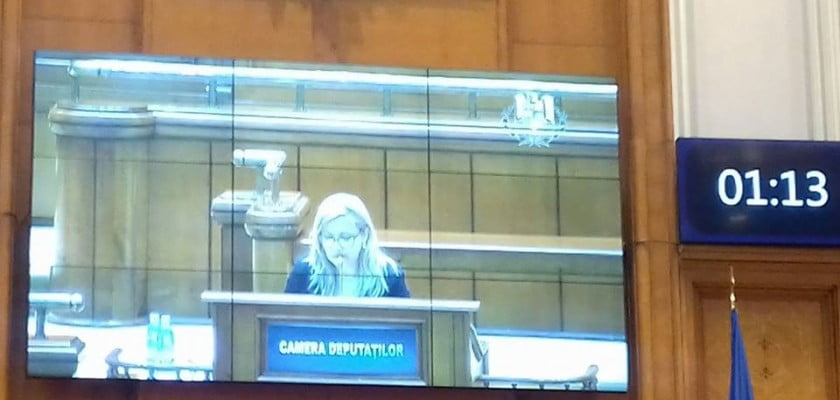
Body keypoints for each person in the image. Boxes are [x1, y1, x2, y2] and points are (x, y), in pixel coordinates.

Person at [284, 192, 410, 297]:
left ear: (365, 236)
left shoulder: (389, 276)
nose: (337, 245)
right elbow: (285, 318)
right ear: (319, 239)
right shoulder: (303, 272)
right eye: (329, 237)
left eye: (345, 237)